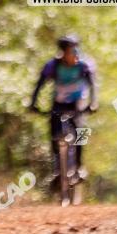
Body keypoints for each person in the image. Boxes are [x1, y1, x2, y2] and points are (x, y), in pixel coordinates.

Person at [28, 35, 98, 186]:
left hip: (78, 101)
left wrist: (93, 103)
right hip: (59, 102)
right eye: (67, 50)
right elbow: (39, 85)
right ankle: (57, 171)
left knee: (81, 131)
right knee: (53, 133)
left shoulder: (84, 65)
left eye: (73, 49)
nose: (71, 53)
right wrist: (33, 103)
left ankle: (79, 166)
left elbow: (93, 85)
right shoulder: (52, 66)